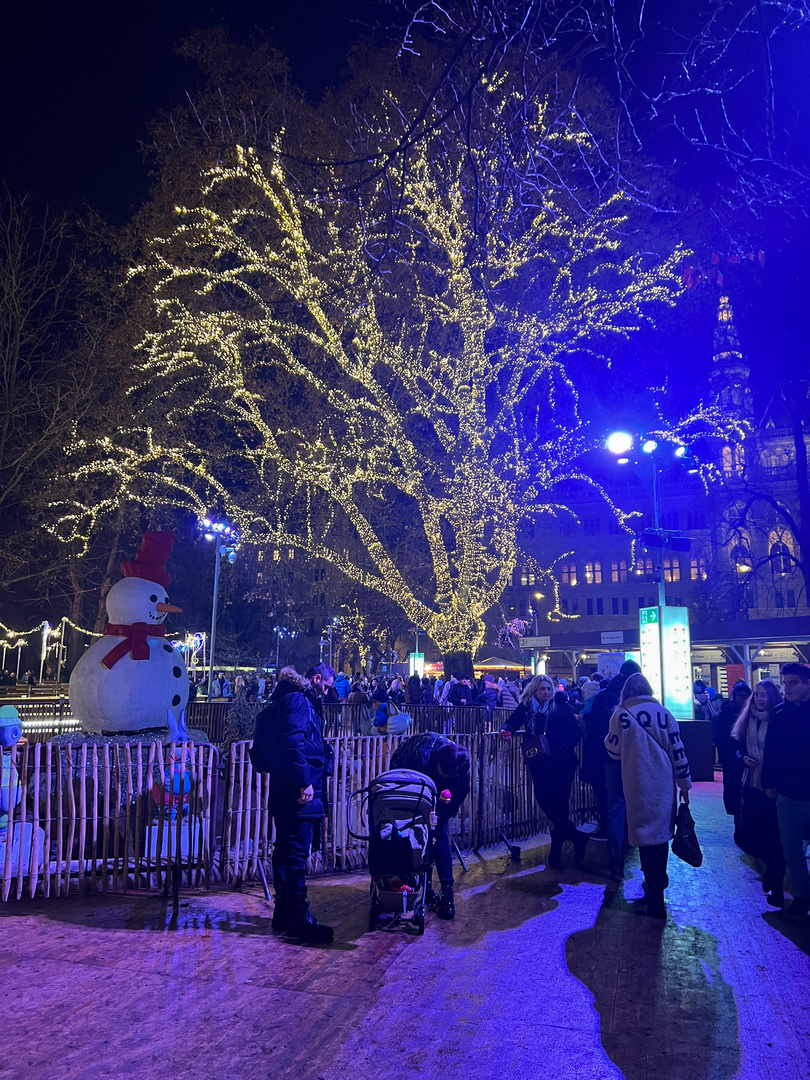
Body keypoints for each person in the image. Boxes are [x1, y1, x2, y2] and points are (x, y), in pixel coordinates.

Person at [252, 665, 334, 943]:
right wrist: (304, 782)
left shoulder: (284, 699)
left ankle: (284, 910)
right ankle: (298, 914)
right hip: (299, 790)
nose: (325, 692)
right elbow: (294, 741)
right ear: (315, 679)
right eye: (325, 687)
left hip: (283, 786)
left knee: (285, 847)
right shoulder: (300, 700)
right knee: (297, 850)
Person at [605, 672, 692, 919]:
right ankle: (658, 891)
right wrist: (684, 783)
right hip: (663, 784)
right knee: (661, 838)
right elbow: (678, 749)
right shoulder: (664, 713)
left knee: (644, 839)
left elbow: (613, 750)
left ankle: (653, 894)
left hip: (636, 783)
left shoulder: (620, 715)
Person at [501, 674, 588, 870]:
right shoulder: (527, 707)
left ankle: (555, 854)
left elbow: (575, 731)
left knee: (559, 804)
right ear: (534, 691)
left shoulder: (560, 705)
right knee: (545, 801)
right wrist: (505, 729)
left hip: (562, 762)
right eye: (543, 689)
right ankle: (577, 837)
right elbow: (512, 722)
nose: (547, 692)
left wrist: (564, 746)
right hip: (539, 762)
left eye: (549, 688)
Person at [390, 731, 471, 920]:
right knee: (413, 834)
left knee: (440, 834)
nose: (445, 776)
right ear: (438, 764)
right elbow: (399, 778)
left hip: (439, 791)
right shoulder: (419, 756)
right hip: (409, 780)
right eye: (444, 773)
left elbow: (456, 798)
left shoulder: (460, 770)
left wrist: (440, 817)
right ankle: (420, 885)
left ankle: (447, 894)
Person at [583, 659, 641, 878]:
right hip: (628, 757)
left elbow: (595, 726)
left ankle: (612, 843)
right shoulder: (633, 699)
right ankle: (629, 838)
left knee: (610, 800)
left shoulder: (604, 694)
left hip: (604, 757)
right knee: (628, 798)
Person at [762, 663, 810, 918]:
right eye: (785, 683)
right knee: (790, 846)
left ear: (807, 684)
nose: (787, 687)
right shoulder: (780, 714)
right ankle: (802, 894)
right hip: (788, 792)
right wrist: (769, 782)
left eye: (793, 683)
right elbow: (771, 751)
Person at [731, 679, 785, 906]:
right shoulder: (747, 719)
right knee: (748, 836)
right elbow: (736, 748)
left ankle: (777, 882)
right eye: (758, 694)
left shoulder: (779, 719)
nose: (760, 699)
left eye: (764, 695)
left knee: (776, 838)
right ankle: (769, 866)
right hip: (752, 783)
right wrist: (743, 759)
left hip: (773, 786)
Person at [714, 682, 751, 816]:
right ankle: (733, 808)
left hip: (746, 755)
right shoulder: (727, 711)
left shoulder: (752, 711)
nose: (742, 698)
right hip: (729, 755)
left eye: (745, 695)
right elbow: (719, 734)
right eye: (739, 695)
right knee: (731, 784)